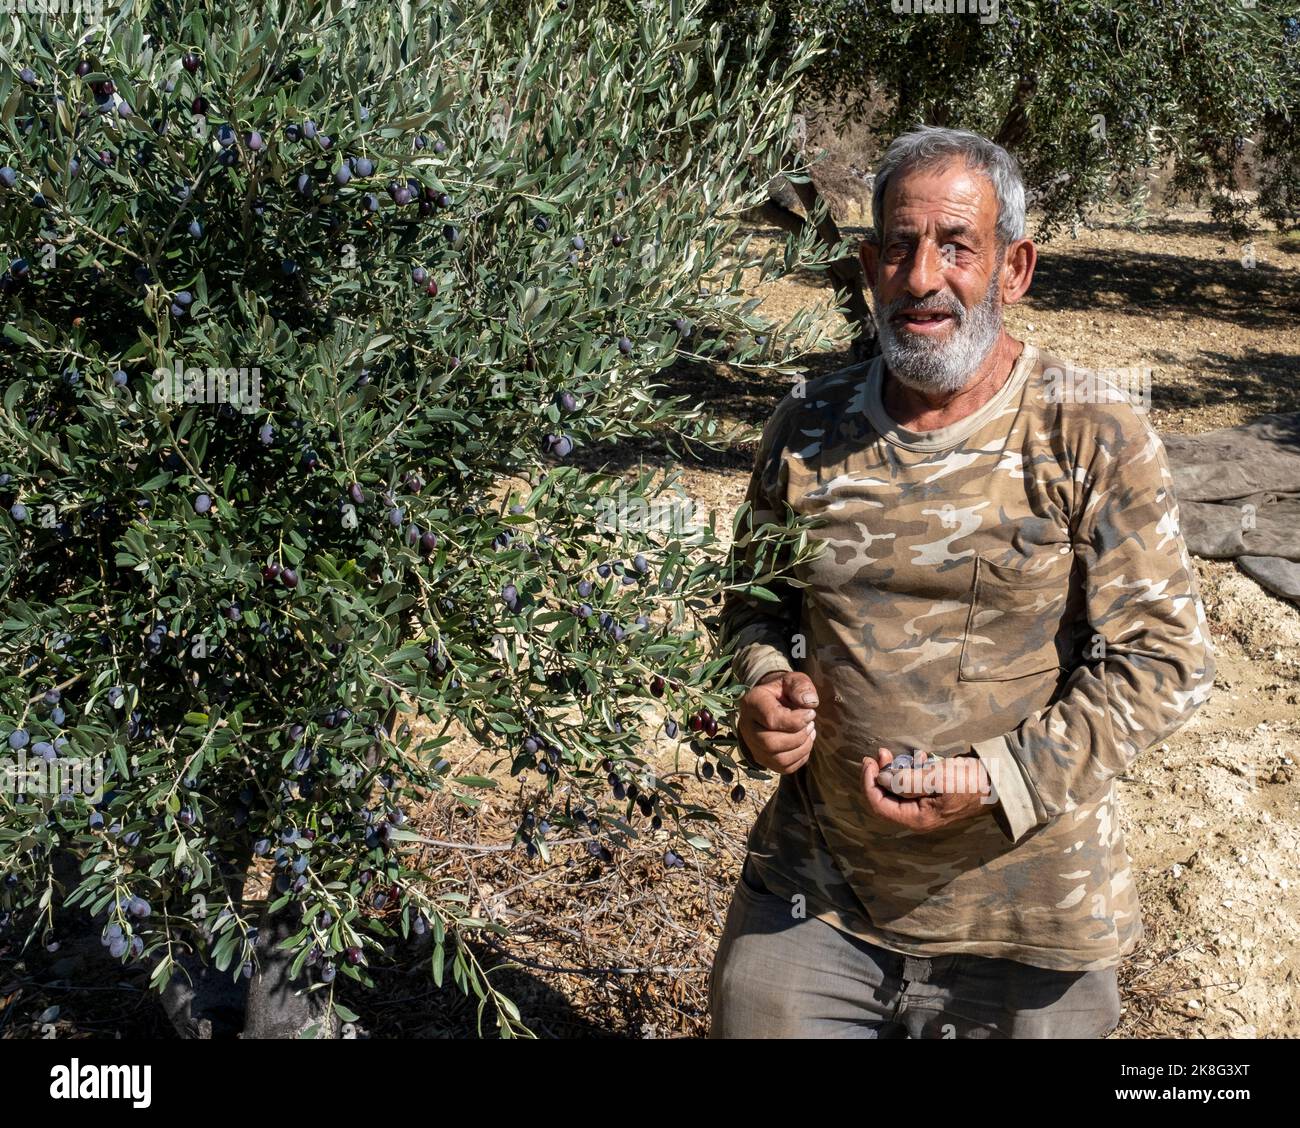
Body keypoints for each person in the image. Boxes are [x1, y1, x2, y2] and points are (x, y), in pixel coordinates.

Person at [710, 125, 1216, 1039]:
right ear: (867, 266)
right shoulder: (809, 422)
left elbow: (1163, 661)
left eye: (956, 247)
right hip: (817, 894)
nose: (921, 277)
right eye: (898, 248)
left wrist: (994, 780)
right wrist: (758, 689)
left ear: (1014, 268)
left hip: (1031, 924)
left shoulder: (1090, 429)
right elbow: (752, 609)